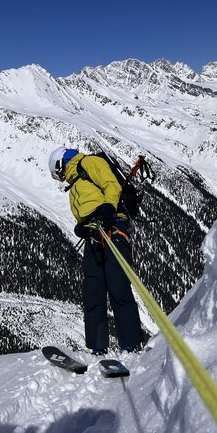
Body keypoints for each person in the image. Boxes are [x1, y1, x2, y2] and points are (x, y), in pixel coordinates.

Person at [48, 146, 143, 355]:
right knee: (93, 290)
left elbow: (111, 184)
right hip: (94, 234)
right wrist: (81, 225)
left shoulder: (89, 163)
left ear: (60, 165)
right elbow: (84, 212)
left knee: (117, 284)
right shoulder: (75, 186)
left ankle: (132, 344)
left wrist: (108, 208)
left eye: (59, 174)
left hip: (113, 227)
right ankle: (97, 346)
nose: (61, 178)